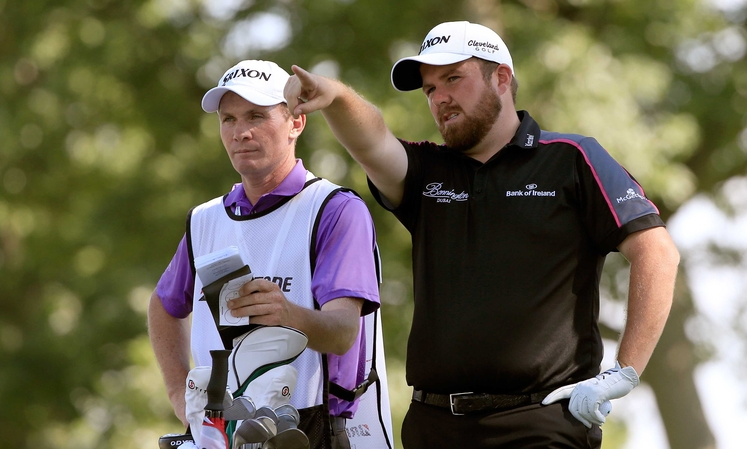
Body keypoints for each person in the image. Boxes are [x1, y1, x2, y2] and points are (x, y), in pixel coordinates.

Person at [283, 21, 680, 448]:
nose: (440, 98)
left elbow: (657, 253)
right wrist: (337, 96)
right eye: (430, 89)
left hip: (540, 425)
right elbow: (372, 141)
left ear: (501, 78)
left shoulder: (572, 159)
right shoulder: (426, 172)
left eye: (453, 78)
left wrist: (622, 372)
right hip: (431, 426)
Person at [148, 59, 388, 449]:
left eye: (256, 116)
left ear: (296, 123)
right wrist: (179, 396)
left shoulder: (335, 209)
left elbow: (345, 332)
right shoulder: (204, 219)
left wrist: (288, 316)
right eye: (228, 120)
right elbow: (163, 306)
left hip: (313, 428)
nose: (241, 132)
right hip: (218, 428)